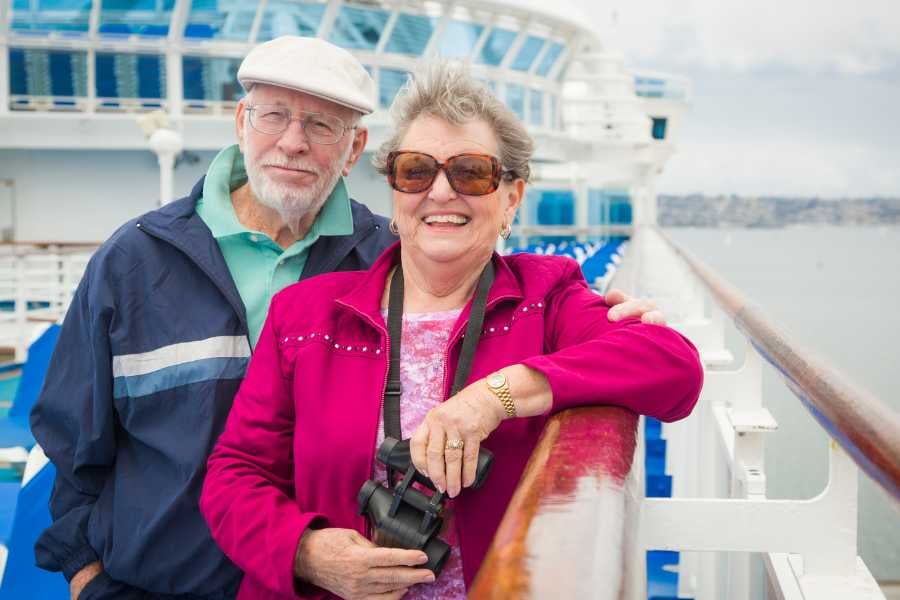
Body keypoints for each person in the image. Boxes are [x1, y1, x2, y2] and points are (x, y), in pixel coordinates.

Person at [29, 38, 659, 600]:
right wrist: (88, 579)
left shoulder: (382, 257)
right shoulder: (135, 260)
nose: (294, 141)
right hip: (156, 584)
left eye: (323, 125)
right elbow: (71, 442)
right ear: (242, 121)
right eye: (274, 115)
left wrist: (512, 386)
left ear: (356, 146)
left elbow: (656, 360)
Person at [200, 62, 703, 600]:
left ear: (510, 198)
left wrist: (494, 396)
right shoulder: (305, 315)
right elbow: (234, 476)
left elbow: (674, 367)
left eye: (471, 172)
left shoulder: (546, 295)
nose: (441, 192)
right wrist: (307, 552)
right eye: (417, 170)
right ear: (395, 190)